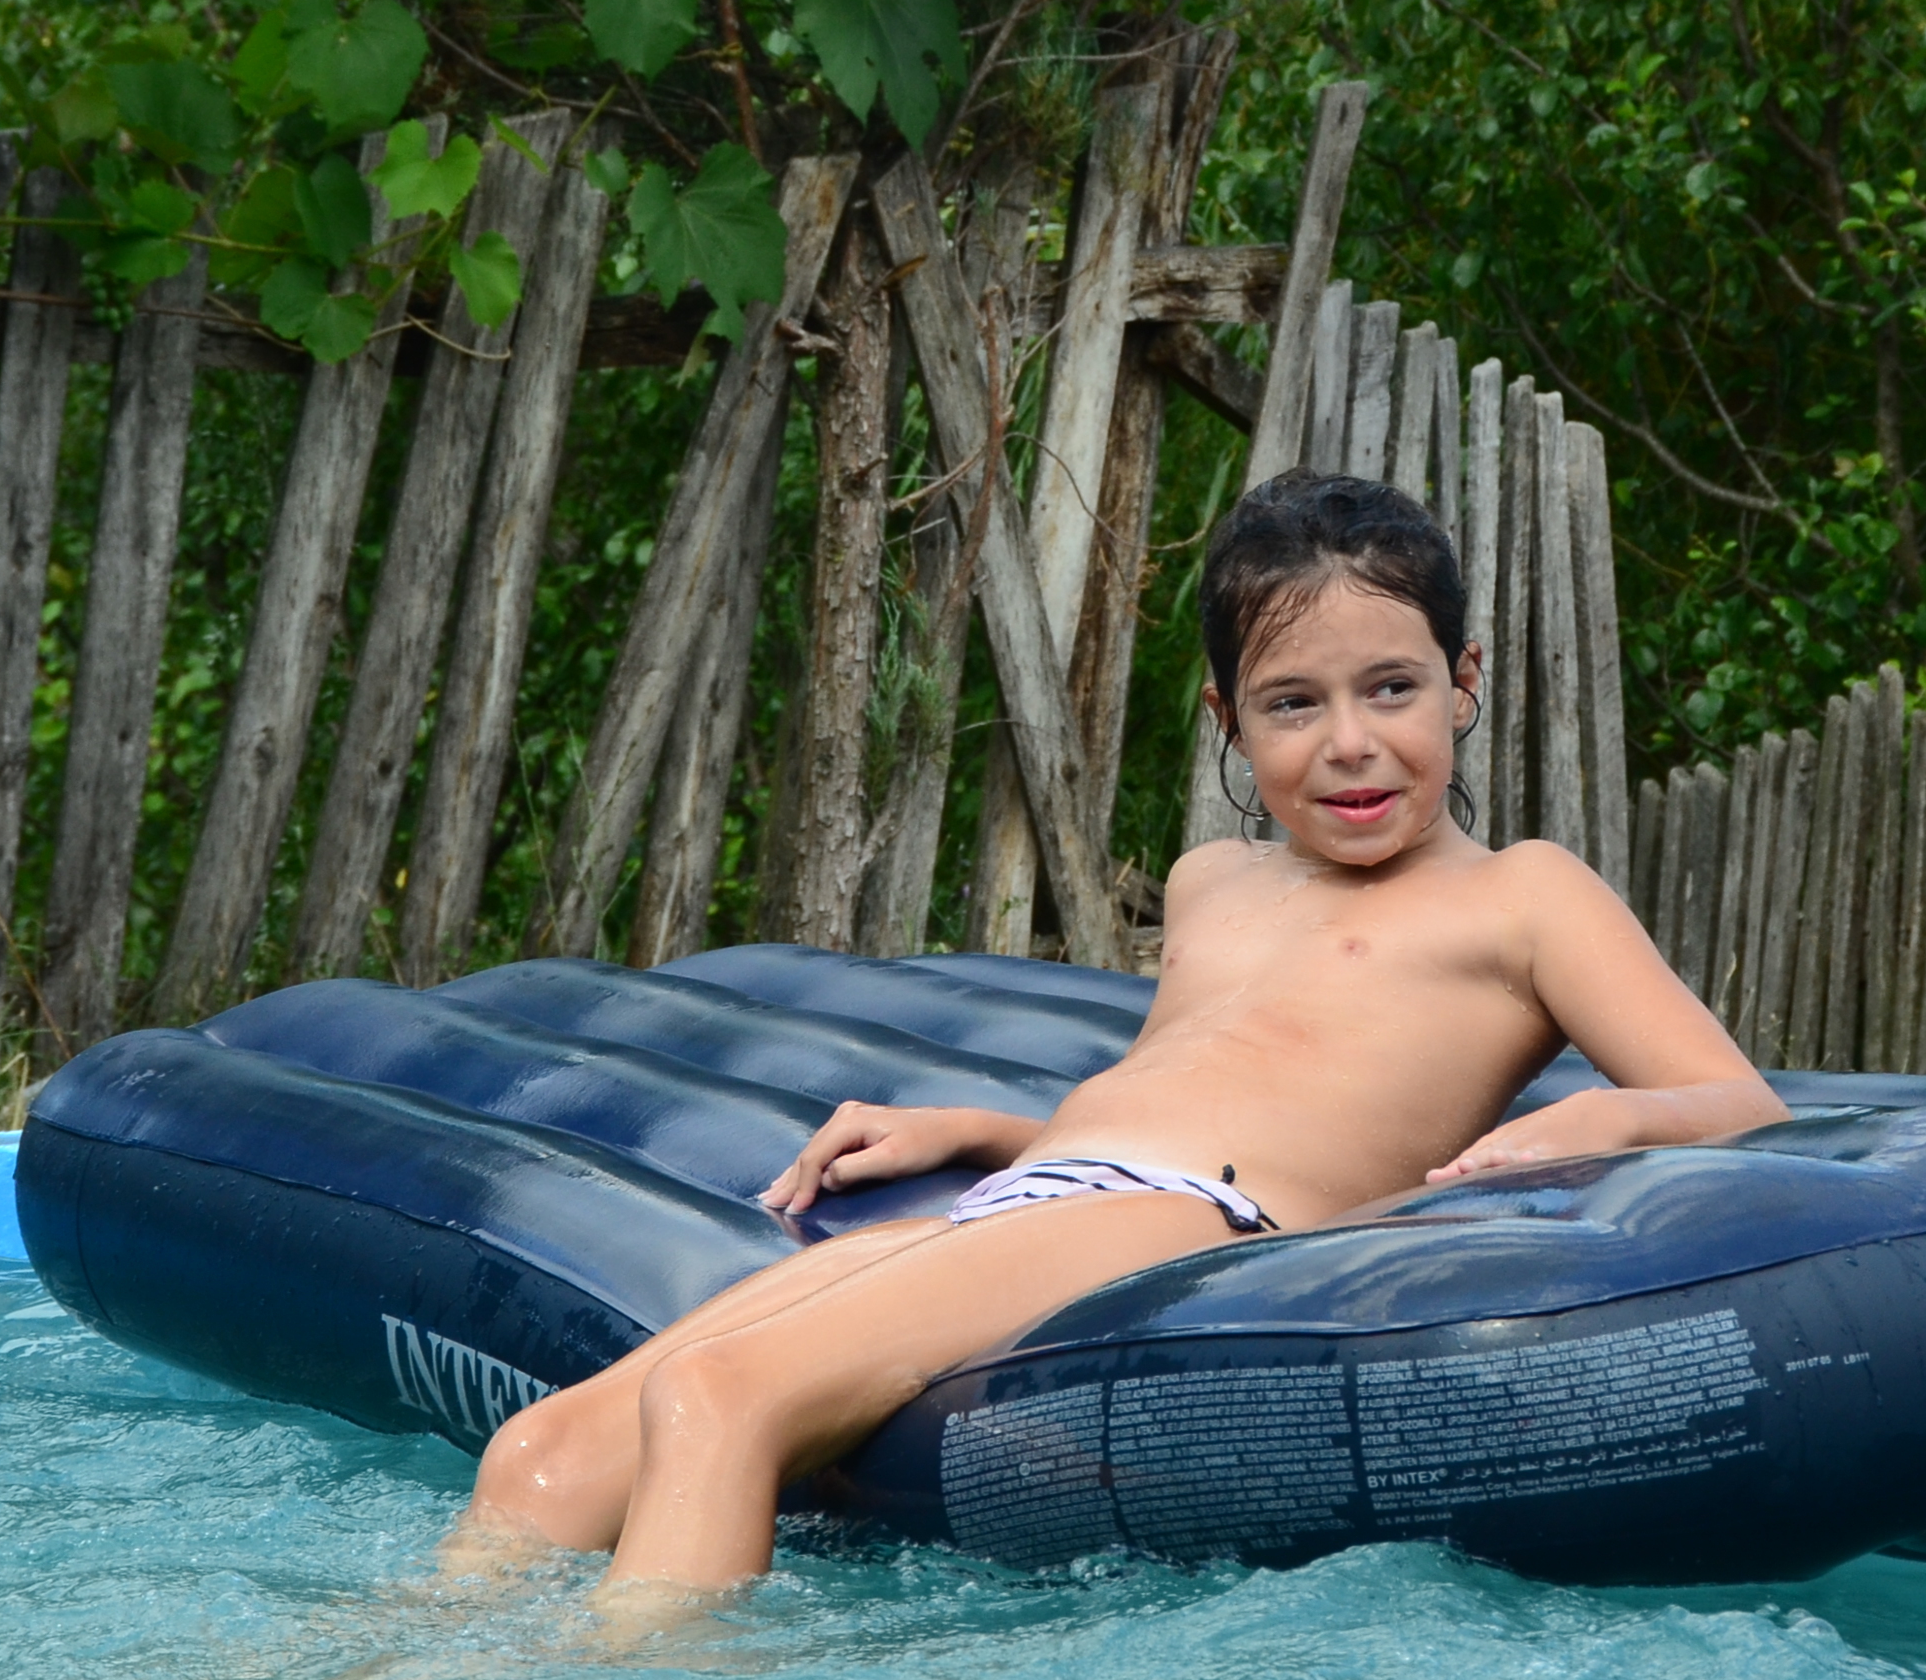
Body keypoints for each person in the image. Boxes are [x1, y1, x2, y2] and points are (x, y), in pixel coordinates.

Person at [443, 467, 1785, 1614]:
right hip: (1041, 1200)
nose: (1350, 744)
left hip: (1201, 1226)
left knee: (721, 1400)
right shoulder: (1216, 881)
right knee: (541, 1455)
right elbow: (1197, 1089)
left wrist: (1602, 1117)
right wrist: (985, 1132)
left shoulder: (1523, 895)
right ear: (1226, 721)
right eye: (1293, 705)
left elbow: (1738, 1101)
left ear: (1464, 681)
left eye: (1392, 688)